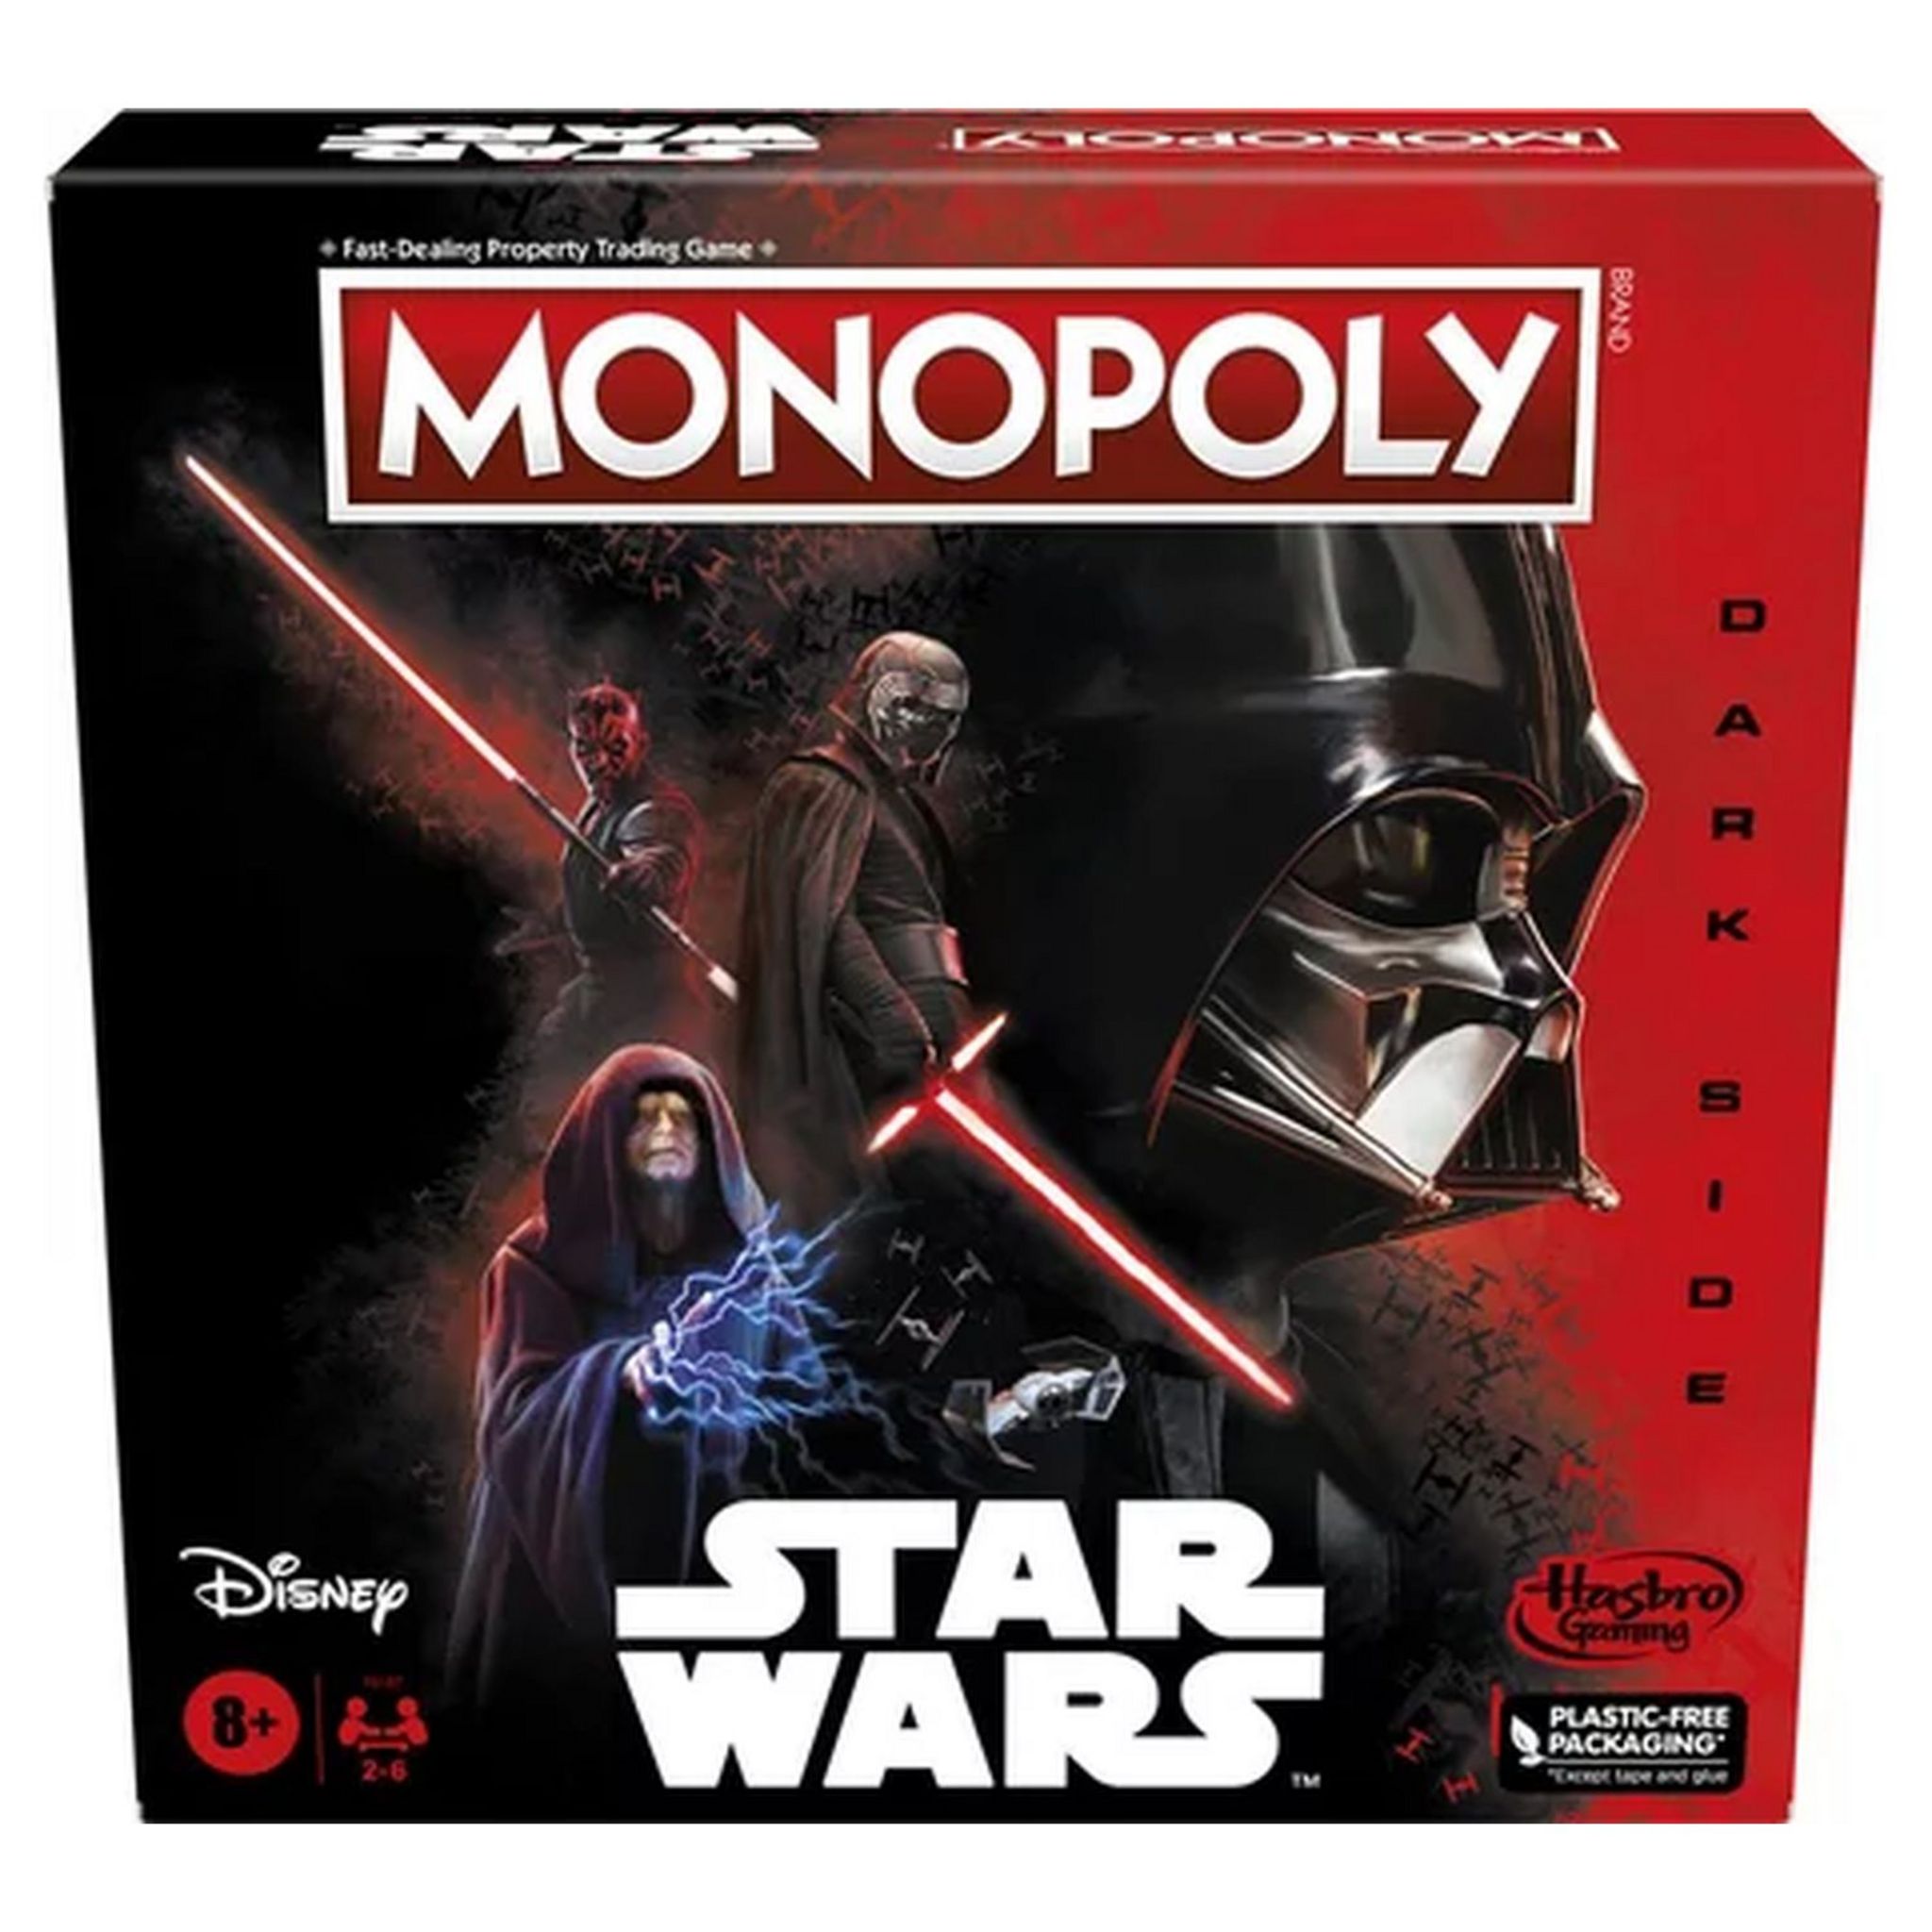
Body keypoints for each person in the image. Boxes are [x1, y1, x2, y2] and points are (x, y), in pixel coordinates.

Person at [446, 1044, 774, 1750]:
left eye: (681, 1117)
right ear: (606, 1138)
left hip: (714, 1562)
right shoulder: (533, 1265)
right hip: (555, 1556)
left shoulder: (749, 1272)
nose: (664, 1132)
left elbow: (803, 1397)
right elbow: (514, 1415)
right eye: (644, 1118)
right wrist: (621, 1375)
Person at [738, 632, 972, 1221]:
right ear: (884, 700)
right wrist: (891, 1014)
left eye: (945, 718)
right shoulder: (818, 785)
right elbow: (824, 918)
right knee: (884, 1217)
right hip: (868, 1053)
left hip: (926, 1053)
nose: (935, 731)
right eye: (924, 712)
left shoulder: (893, 798)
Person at [534, 683, 703, 1066]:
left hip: (646, 1002)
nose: (597, 762)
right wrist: (554, 922)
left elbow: (663, 856)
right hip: (601, 990)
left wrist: (644, 873)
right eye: (585, 748)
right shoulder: (602, 802)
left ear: (641, 744)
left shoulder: (654, 808)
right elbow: (593, 885)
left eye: (615, 748)